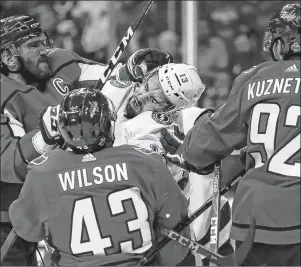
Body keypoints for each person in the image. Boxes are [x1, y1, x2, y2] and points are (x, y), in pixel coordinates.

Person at [0, 14, 172, 265]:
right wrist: (45, 135)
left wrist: (132, 71)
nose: (45, 50)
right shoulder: (4, 95)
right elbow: (7, 162)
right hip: (9, 215)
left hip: (63, 196)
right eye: (34, 45)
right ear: (8, 57)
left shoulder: (61, 61)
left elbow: (108, 86)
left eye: (44, 41)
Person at [160, 3, 301, 265]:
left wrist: (195, 132)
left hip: (259, 220)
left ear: (288, 41)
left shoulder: (255, 78)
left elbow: (199, 150)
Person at [8, 88, 191, 266]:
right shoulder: (144, 161)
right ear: (108, 125)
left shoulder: (43, 170)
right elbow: (175, 221)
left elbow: (27, 228)